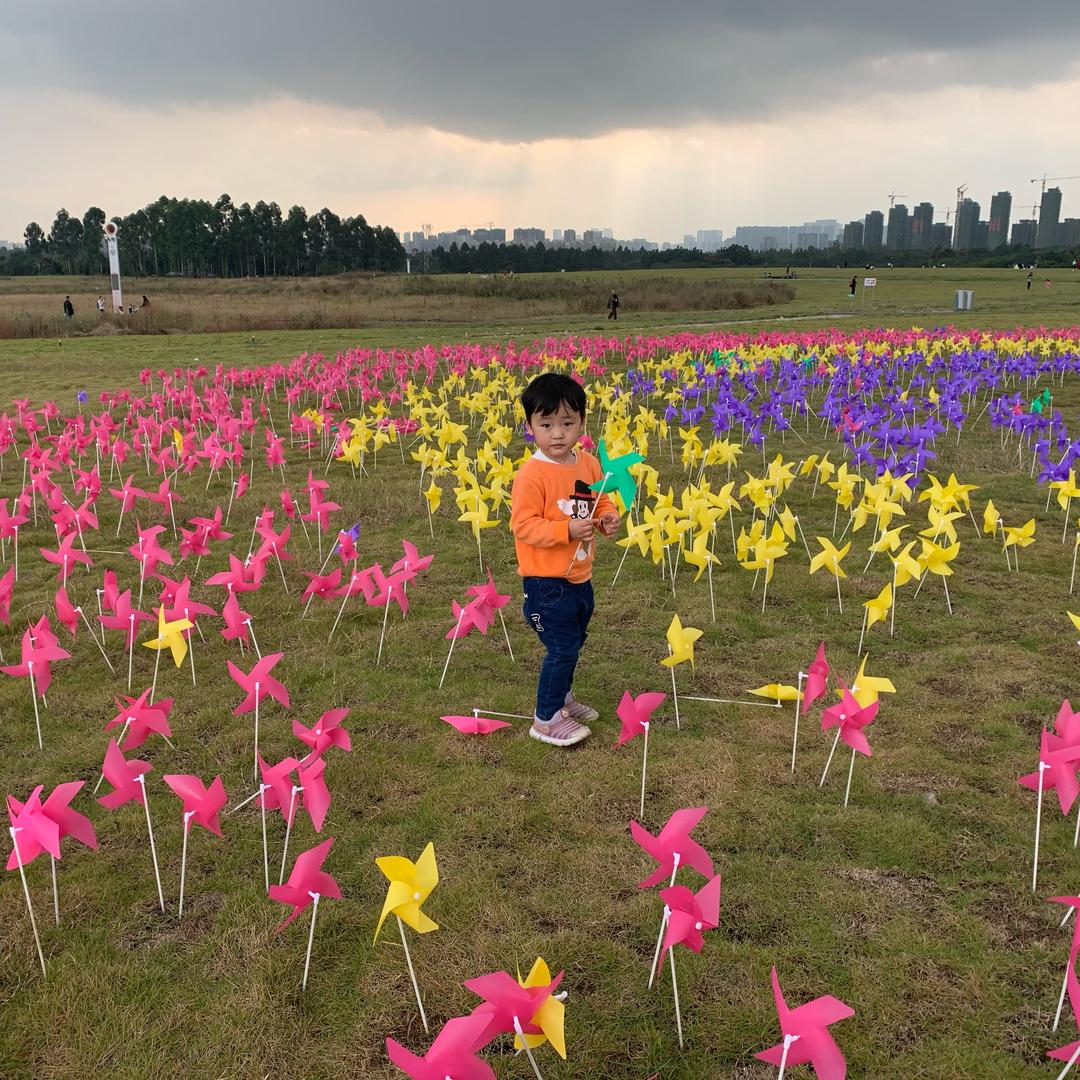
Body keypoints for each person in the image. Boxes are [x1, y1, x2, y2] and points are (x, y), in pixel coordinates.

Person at [510, 373, 621, 746]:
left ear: (582, 424)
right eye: (546, 424)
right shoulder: (531, 475)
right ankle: (545, 717)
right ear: (530, 427)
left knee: (576, 639)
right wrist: (566, 531)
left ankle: (563, 698)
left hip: (580, 575)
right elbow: (523, 526)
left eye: (567, 423)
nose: (557, 433)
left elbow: (600, 498)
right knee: (561, 646)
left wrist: (607, 518)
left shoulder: (588, 464)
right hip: (546, 581)